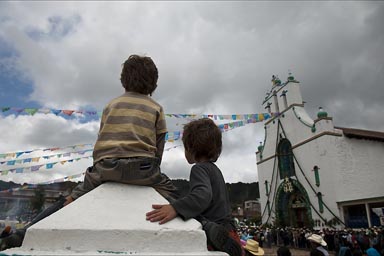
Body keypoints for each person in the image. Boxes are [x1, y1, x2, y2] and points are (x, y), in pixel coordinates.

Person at [0, 54, 178, 251]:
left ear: (124, 80)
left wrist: (99, 167)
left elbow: (102, 138)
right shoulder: (156, 108)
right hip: (143, 170)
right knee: (174, 195)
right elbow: (159, 146)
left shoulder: (111, 105)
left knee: (70, 199)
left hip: (104, 168)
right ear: (154, 82)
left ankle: (22, 234)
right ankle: (210, 231)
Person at [146, 118, 242, 256]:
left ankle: (208, 227)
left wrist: (176, 208)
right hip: (229, 230)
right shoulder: (215, 170)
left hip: (216, 230)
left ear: (190, 148)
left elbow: (202, 195)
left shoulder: (199, 169)